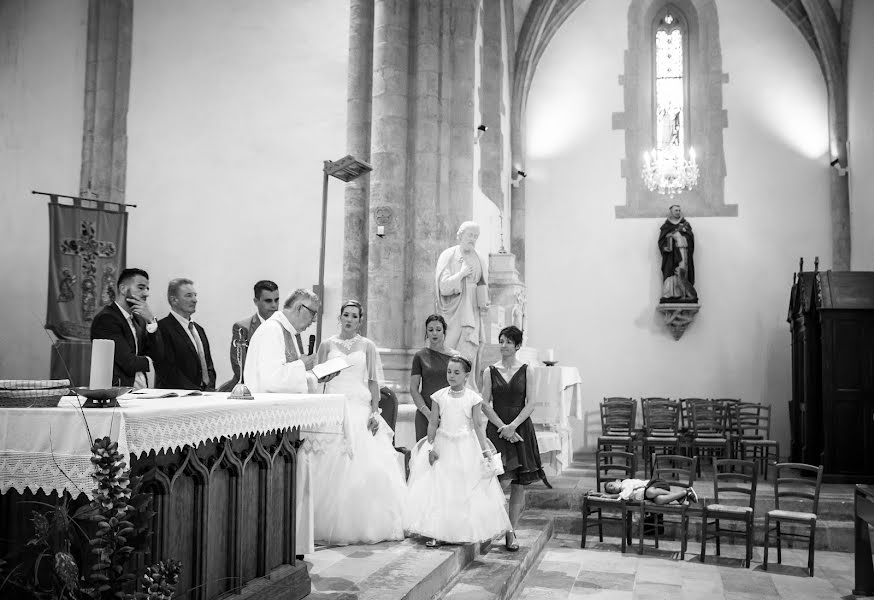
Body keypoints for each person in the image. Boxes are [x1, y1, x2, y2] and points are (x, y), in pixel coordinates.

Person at [308, 300, 407, 544]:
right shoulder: (327, 344)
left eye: (354, 316)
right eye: (346, 315)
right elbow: (317, 379)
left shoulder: (368, 346)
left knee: (365, 464)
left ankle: (365, 523)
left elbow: (373, 382)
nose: (349, 319)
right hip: (332, 407)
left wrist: (375, 413)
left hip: (359, 407)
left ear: (360, 320)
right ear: (339, 317)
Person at [405, 355, 511, 548]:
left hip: (465, 446)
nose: (451, 376)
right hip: (443, 444)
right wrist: (431, 447)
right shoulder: (439, 396)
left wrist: (485, 451)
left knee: (463, 487)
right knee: (440, 487)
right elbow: (433, 424)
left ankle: (463, 529)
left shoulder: (473, 398)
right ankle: (435, 531)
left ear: (466, 376)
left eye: (456, 372)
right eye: (449, 372)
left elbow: (478, 426)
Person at [481, 325, 550, 551]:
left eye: (508, 341)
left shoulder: (527, 370)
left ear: (517, 345)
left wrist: (513, 426)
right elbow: (484, 403)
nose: (503, 345)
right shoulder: (490, 371)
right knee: (500, 482)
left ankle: (511, 532)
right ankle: (492, 527)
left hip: (520, 430)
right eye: (501, 341)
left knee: (519, 484)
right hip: (498, 431)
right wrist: (503, 427)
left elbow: (530, 403)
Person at [244, 288, 331, 393]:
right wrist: (302, 364)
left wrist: (315, 377)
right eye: (313, 313)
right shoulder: (272, 329)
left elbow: (286, 378)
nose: (314, 320)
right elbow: (272, 382)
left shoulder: (288, 331)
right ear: (299, 308)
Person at [435, 221, 489, 388]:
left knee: (470, 351)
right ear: (460, 236)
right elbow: (443, 287)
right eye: (469, 235)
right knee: (449, 352)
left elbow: (482, 284)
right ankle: (447, 391)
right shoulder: (448, 255)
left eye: (475, 236)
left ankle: (468, 390)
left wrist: (483, 302)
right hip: (454, 312)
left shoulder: (479, 258)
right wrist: (461, 274)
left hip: (473, 311)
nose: (472, 239)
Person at [90, 267, 164, 389]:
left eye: (147, 289)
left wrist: (151, 322)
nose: (146, 293)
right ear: (123, 289)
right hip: (117, 393)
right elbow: (128, 362)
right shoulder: (107, 319)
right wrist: (150, 362)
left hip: (142, 391)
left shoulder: (139, 320)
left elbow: (159, 355)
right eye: (141, 288)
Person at [218, 280, 279, 392]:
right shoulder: (242, 328)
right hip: (249, 390)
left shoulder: (285, 328)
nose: (274, 305)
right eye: (268, 301)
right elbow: (240, 367)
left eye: (276, 300)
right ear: (256, 301)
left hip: (279, 389)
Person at [156, 278, 216, 390]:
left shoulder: (198, 329)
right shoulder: (162, 328)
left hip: (204, 395)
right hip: (176, 396)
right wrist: (193, 390)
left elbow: (208, 365)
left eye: (195, 295)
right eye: (188, 295)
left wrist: (209, 388)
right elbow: (167, 368)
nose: (195, 300)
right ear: (174, 300)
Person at [409, 314, 458, 441]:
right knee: (424, 453)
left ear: (444, 331)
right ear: (426, 332)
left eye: (438, 329)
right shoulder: (420, 356)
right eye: (430, 330)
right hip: (425, 412)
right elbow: (413, 389)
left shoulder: (455, 357)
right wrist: (428, 414)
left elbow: (459, 386)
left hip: (449, 412)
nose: (434, 333)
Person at [658, 204, 697, 302]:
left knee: (682, 272)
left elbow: (690, 239)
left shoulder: (685, 224)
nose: (678, 212)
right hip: (670, 256)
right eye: (676, 210)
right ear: (671, 212)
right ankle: (670, 294)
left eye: (679, 210)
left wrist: (682, 237)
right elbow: (662, 241)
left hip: (683, 252)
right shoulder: (666, 226)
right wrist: (665, 247)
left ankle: (684, 294)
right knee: (671, 272)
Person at [589, 478, 698, 505]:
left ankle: (683, 494)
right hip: (651, 495)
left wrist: (608, 497)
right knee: (659, 500)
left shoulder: (626, 483)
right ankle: (684, 493)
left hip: (654, 485)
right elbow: (620, 495)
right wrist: (599, 495)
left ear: (618, 481)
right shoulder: (622, 492)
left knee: (650, 492)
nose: (612, 489)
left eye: (611, 485)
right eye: (610, 490)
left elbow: (625, 493)